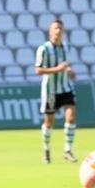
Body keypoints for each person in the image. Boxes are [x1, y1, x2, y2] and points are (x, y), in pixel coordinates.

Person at [34, 19, 78, 164]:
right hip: (51, 91)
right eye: (55, 28)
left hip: (66, 88)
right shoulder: (44, 49)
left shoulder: (67, 47)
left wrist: (70, 71)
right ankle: (46, 150)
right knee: (49, 123)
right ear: (50, 31)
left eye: (60, 28)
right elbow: (38, 70)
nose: (58, 31)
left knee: (71, 117)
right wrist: (57, 69)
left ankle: (67, 150)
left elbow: (66, 65)